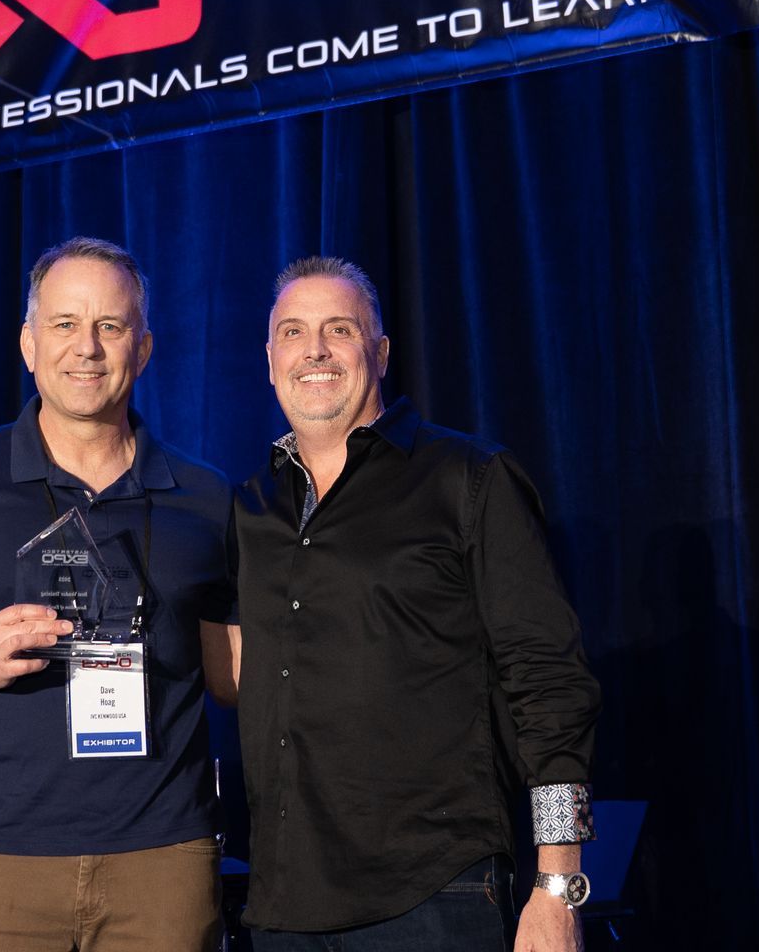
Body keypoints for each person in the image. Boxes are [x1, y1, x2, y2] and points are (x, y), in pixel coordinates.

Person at [0, 237, 238, 952]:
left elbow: (231, 668)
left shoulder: (205, 495)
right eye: (65, 325)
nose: (88, 349)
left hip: (163, 862)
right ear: (28, 345)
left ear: (145, 346)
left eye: (111, 326)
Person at [226, 256, 602, 952]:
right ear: (270, 359)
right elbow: (232, 665)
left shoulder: (468, 478)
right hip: (283, 909)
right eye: (292, 332)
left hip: (433, 898)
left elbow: (551, 685)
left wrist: (558, 887)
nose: (314, 350)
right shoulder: (251, 505)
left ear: (381, 351)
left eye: (339, 329)